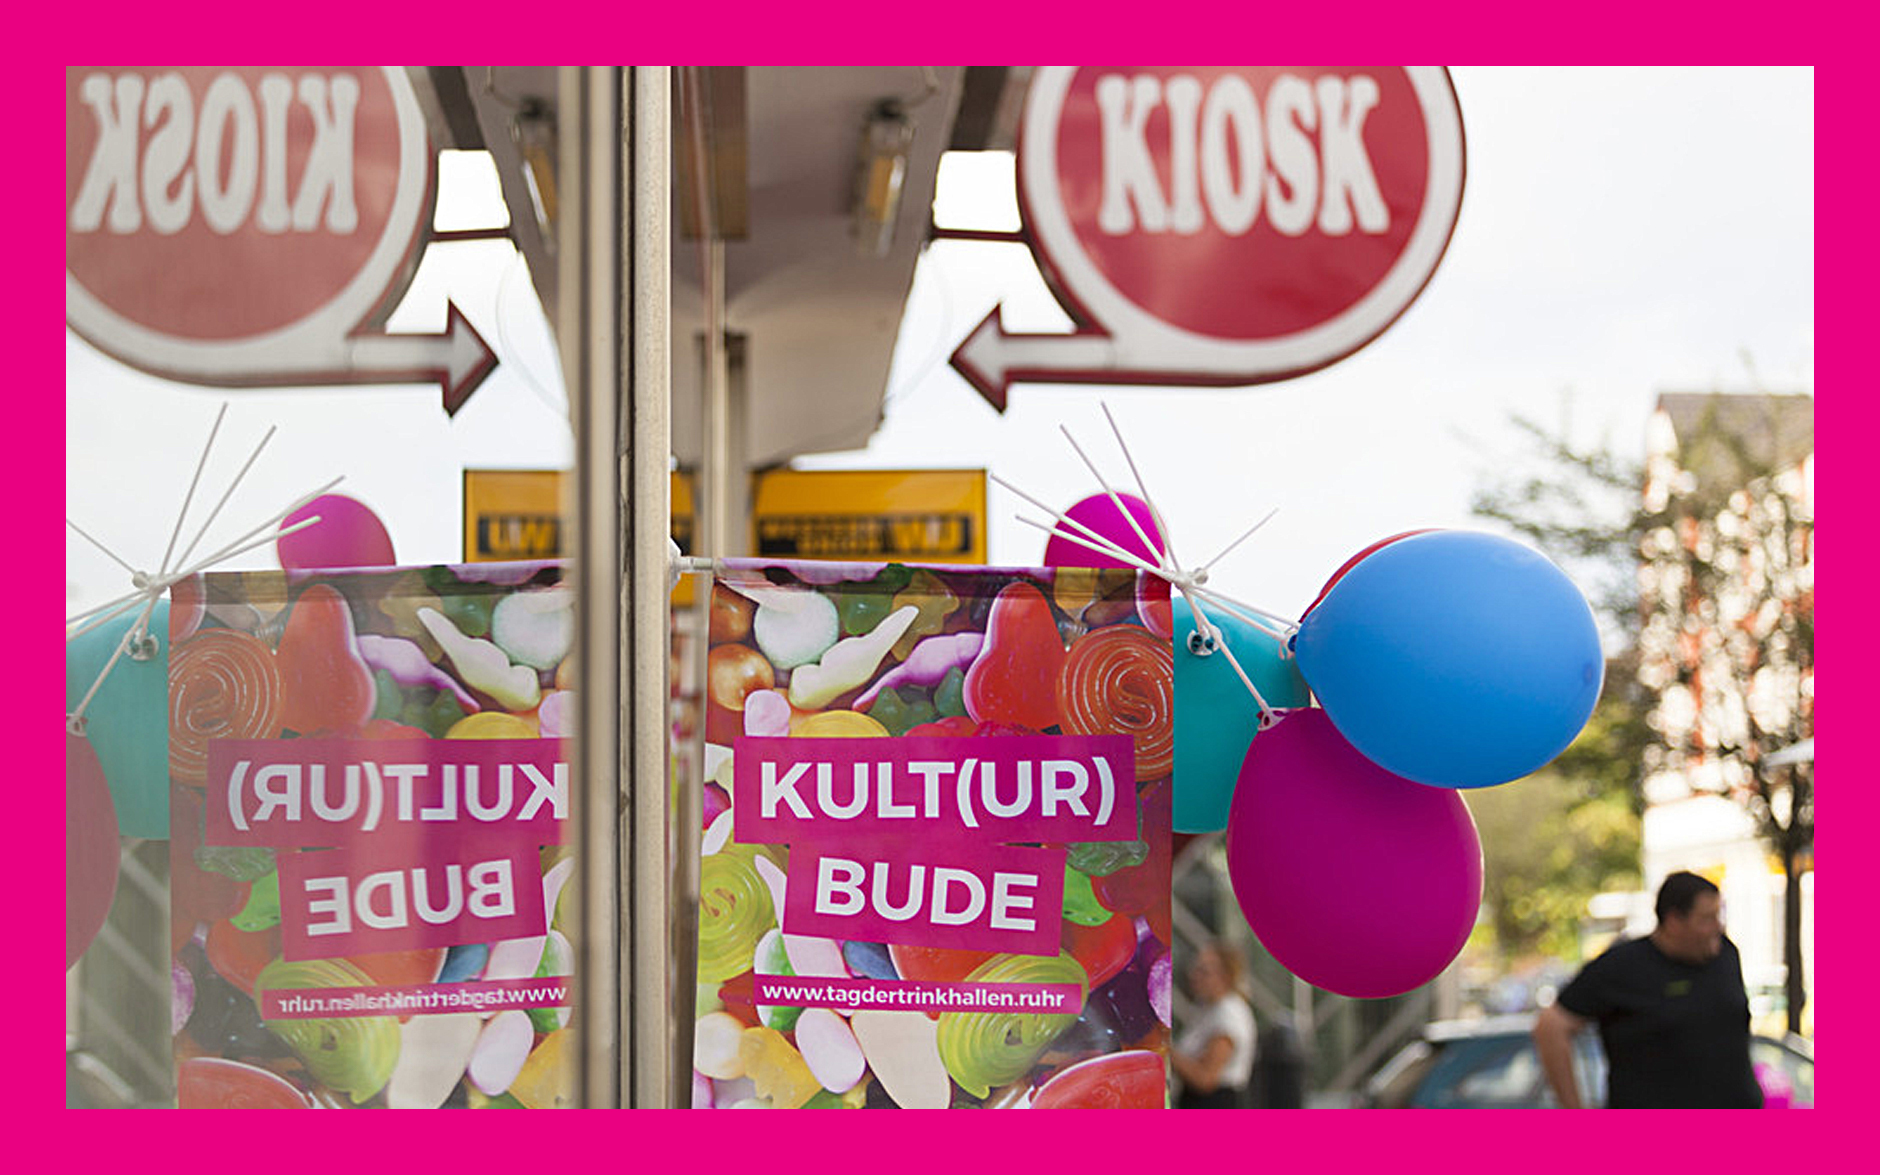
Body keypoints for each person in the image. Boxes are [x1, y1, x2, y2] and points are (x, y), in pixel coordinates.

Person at [1533, 871, 1763, 1108]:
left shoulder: (1726, 955)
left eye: (1718, 915)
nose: (1718, 927)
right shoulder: (1624, 966)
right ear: (1673, 922)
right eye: (1706, 919)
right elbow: (1550, 1026)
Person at [1171, 942, 1257, 1108]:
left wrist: (1168, 1052)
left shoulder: (1229, 1015)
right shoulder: (1206, 1008)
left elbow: (1206, 1078)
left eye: (1204, 971)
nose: (1194, 976)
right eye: (1195, 969)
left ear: (1225, 977)